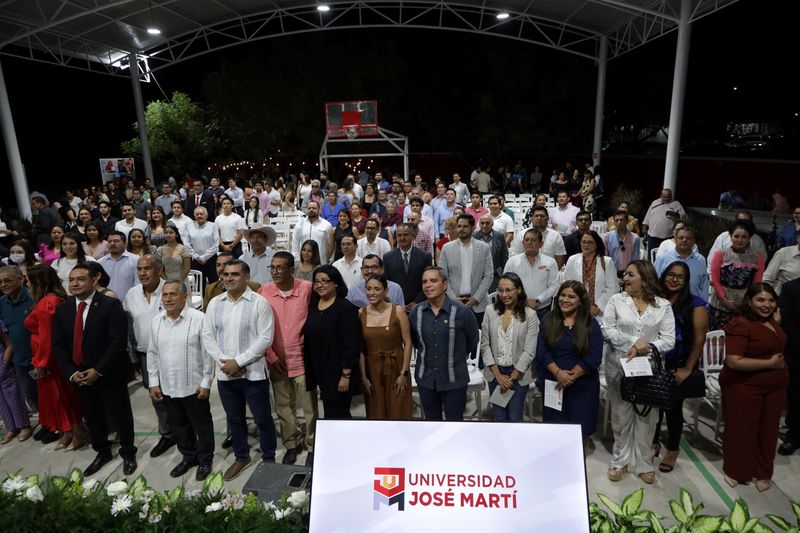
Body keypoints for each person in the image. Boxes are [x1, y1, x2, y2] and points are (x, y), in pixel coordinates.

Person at [52, 263, 138, 476]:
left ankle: (128, 451)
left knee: (121, 415)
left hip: (108, 373)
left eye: (80, 279)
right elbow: (59, 346)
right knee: (93, 417)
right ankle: (102, 451)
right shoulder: (63, 310)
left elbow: (117, 342)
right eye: (72, 280)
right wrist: (72, 373)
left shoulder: (110, 305)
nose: (75, 284)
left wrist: (97, 371)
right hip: (79, 376)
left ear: (94, 280)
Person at [202, 260, 277, 481]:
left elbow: (265, 338)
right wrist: (226, 363)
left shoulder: (259, 303)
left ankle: (269, 457)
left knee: (263, 418)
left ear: (246, 277)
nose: (228, 278)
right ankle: (241, 456)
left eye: (234, 274)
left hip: (253, 373)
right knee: (234, 419)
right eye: (225, 274)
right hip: (227, 374)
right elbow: (207, 335)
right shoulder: (216, 303)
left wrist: (240, 362)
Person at [602, 260, 675, 484]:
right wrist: (636, 342)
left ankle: (644, 463)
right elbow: (607, 329)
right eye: (625, 275)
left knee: (647, 418)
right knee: (621, 416)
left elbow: (669, 340)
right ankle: (620, 460)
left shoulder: (663, 306)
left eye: (630, 275)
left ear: (644, 278)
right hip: (618, 366)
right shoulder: (616, 300)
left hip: (648, 370)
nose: (625, 278)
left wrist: (649, 347)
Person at [720, 284, 787, 492]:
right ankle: (735, 470)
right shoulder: (740, 325)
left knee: (769, 430)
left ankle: (764, 471)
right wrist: (770, 364)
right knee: (742, 429)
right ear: (748, 301)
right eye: (760, 300)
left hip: (775, 386)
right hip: (744, 385)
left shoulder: (772, 321)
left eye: (770, 300)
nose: (766, 305)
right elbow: (734, 361)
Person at [147, 279, 215, 481]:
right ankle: (188, 456)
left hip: (194, 386)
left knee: (201, 425)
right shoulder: (157, 321)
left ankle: (204, 459)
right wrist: (153, 382)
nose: (168, 298)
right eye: (165, 294)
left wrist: (206, 382)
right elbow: (153, 353)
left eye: (172, 294)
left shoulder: (199, 319)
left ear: (184, 297)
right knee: (178, 425)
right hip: (168, 386)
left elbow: (208, 353)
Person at [258, 252, 317, 466]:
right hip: (277, 360)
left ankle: (312, 445)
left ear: (291, 270)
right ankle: (291, 444)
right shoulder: (264, 292)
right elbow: (259, 328)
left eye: (280, 267)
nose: (275, 271)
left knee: (309, 406)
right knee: (284, 407)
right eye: (272, 267)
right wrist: (270, 355)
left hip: (301, 359)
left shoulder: (306, 289)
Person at [650, 261, 708, 473]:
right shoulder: (654, 300)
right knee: (653, 402)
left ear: (686, 281)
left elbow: (699, 340)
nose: (674, 279)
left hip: (679, 363)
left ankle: (673, 448)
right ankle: (653, 441)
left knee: (673, 407)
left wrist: (687, 369)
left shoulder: (695, 304)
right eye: (671, 275)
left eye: (680, 277)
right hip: (655, 360)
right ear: (664, 276)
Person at [23, 264, 86, 449]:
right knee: (62, 399)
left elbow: (47, 337)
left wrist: (41, 363)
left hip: (51, 361)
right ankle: (67, 432)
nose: (26, 282)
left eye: (28, 279)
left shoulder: (48, 303)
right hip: (51, 358)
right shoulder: (52, 299)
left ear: (37, 282)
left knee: (64, 398)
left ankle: (77, 432)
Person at [536, 281, 603, 449]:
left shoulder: (591, 324)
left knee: (580, 433)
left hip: (583, 387)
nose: (565, 300)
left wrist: (570, 376)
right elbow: (542, 352)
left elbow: (594, 357)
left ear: (580, 301)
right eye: (563, 295)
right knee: (555, 431)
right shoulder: (548, 320)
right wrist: (559, 373)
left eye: (571, 296)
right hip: (554, 384)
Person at [410, 266, 480, 420]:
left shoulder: (463, 312)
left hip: (454, 380)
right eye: (424, 282)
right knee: (431, 425)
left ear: (445, 284)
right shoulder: (416, 312)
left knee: (454, 426)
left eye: (433, 281)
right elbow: (417, 342)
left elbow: (472, 340)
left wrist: (454, 355)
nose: (428, 285)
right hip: (426, 379)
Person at [123, 255, 176, 458]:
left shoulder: (171, 290)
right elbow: (127, 326)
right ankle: (167, 433)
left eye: (147, 268)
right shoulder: (131, 294)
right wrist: (132, 356)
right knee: (158, 397)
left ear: (159, 269)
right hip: (146, 355)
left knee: (178, 395)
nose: (142, 273)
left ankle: (185, 432)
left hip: (172, 354)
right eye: (139, 269)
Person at [304, 265, 362, 419]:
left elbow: (352, 345)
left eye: (324, 281)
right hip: (321, 371)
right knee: (330, 413)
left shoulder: (345, 308)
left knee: (339, 415)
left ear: (335, 283)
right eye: (316, 282)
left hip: (339, 373)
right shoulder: (314, 305)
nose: (320, 285)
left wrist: (346, 374)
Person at [481, 273, 538, 422]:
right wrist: (498, 376)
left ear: (518, 290)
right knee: (499, 418)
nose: (504, 294)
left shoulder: (530, 315)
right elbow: (485, 345)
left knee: (515, 418)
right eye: (500, 290)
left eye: (508, 290)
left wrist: (511, 378)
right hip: (495, 373)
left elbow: (529, 351)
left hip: (518, 375)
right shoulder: (490, 311)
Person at [359, 275, 413, 420]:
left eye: (377, 289)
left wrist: (404, 373)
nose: (372, 293)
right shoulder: (360, 314)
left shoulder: (398, 311)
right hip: (373, 371)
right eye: (369, 289)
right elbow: (361, 350)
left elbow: (408, 343)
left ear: (386, 291)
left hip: (396, 369)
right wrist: (364, 377)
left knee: (398, 411)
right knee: (376, 413)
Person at [708, 221, 765, 329]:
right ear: (730, 235)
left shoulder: (757, 257)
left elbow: (756, 283)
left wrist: (745, 301)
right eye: (736, 236)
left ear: (750, 237)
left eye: (744, 237)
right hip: (720, 303)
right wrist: (724, 300)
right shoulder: (721, 254)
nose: (740, 240)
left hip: (744, 304)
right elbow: (715, 280)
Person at [438, 215, 494, 324]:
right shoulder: (446, 248)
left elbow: (488, 275)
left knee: (480, 339)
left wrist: (476, 298)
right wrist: (453, 298)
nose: (461, 229)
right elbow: (442, 276)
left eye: (465, 226)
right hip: (454, 303)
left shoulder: (484, 248)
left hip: (478, 304)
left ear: (473, 228)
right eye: (459, 226)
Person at [0, 265, 38, 417]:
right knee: (31, 394)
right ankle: (47, 424)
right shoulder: (1, 303)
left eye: (7, 280)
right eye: (0, 282)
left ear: (20, 279)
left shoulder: (33, 297)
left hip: (39, 358)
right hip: (18, 360)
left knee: (50, 395)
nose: (3, 285)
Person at [504, 228, 560, 322]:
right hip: (518, 307)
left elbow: (554, 285)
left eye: (533, 240)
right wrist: (524, 301)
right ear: (523, 243)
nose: (529, 242)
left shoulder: (550, 262)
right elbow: (506, 284)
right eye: (526, 240)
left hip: (543, 309)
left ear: (541, 243)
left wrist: (538, 300)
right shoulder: (513, 261)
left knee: (541, 335)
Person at [0, 294, 32, 442]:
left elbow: (9, 344)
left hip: (3, 362)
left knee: (12, 394)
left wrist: (4, 364)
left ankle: (23, 425)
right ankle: (11, 428)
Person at [563, 231, 618, 317]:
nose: (586, 245)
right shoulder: (572, 260)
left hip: (599, 311)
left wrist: (598, 307)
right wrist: (579, 305)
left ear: (597, 244)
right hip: (577, 309)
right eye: (583, 242)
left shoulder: (607, 262)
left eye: (590, 242)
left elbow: (613, 288)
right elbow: (567, 285)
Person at [383, 224, 432, 311]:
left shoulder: (424, 257)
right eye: (399, 235)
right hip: (394, 305)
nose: (402, 238)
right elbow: (386, 283)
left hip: (419, 305)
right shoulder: (387, 257)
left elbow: (428, 282)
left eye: (405, 235)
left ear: (412, 236)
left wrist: (417, 301)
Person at [654, 226, 710, 300]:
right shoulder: (662, 258)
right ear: (675, 239)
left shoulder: (700, 260)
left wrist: (704, 304)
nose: (684, 240)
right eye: (681, 238)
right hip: (667, 303)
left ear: (694, 241)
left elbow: (704, 284)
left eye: (689, 238)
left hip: (692, 305)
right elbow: (654, 282)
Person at [778, 278, 800, 456]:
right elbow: (788, 324)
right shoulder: (791, 288)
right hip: (797, 353)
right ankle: (794, 435)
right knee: (796, 395)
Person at [97, 231, 138, 301]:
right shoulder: (100, 263)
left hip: (130, 304)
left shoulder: (136, 260)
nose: (112, 243)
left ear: (125, 243)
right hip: (106, 304)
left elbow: (138, 284)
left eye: (116, 241)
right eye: (109, 241)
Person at [474, 214, 508, 293]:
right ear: (479, 224)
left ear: (492, 224)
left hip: (495, 274)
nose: (484, 225)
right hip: (479, 275)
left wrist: (504, 273)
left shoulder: (499, 236)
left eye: (487, 223)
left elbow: (504, 255)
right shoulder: (474, 237)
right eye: (482, 223)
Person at [187, 206, 220, 284]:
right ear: (194, 216)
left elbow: (216, 244)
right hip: (196, 260)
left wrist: (204, 257)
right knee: (198, 285)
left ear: (206, 215)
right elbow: (187, 244)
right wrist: (197, 257)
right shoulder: (189, 227)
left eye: (201, 214)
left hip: (211, 259)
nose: (199, 216)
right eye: (197, 214)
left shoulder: (213, 226)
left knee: (213, 283)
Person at [604, 210, 641, 278]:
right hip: (612, 272)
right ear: (614, 222)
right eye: (617, 220)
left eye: (622, 220)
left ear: (627, 221)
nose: (619, 222)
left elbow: (635, 259)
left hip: (628, 273)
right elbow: (605, 257)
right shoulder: (607, 237)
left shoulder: (635, 238)